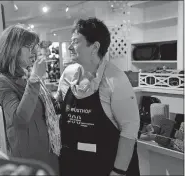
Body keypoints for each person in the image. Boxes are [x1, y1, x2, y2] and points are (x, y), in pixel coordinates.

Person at [55, 17, 140, 176]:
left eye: (75, 41)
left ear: (94, 47)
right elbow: (60, 108)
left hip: (106, 166)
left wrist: (118, 171)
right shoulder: (68, 75)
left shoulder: (116, 79)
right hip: (73, 165)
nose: (70, 47)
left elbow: (130, 129)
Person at [0, 24, 60, 174]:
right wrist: (35, 79)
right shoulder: (2, 81)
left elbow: (51, 109)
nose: (34, 52)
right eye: (29, 47)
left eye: (34, 47)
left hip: (50, 152)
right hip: (29, 161)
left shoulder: (27, 75)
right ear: (13, 50)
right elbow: (20, 119)